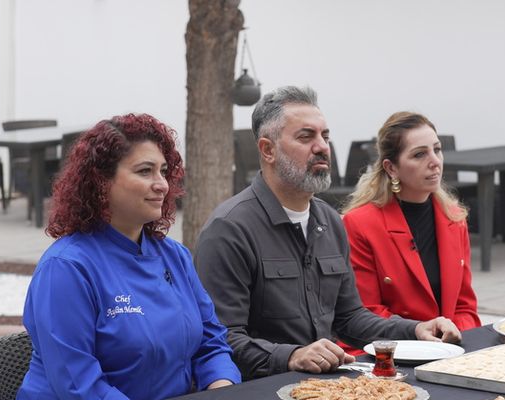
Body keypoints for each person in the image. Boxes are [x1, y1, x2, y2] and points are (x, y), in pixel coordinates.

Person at [13, 113, 241, 400]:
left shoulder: (174, 256)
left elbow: (211, 342)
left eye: (164, 171)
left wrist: (218, 399)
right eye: (145, 171)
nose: (161, 184)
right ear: (101, 182)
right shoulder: (67, 267)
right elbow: (79, 385)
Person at [195, 86, 460, 381]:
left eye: (326, 136)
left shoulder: (330, 221)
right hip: (262, 395)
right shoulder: (230, 229)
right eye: (306, 137)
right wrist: (292, 355)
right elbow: (220, 341)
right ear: (268, 150)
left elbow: (350, 318)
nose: (322, 147)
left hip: (326, 387)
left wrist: (413, 330)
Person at [341, 112, 481, 333]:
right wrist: (420, 332)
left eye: (437, 149)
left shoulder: (454, 218)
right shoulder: (360, 224)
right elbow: (365, 313)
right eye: (419, 155)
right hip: (391, 351)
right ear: (391, 168)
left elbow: (465, 308)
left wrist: (455, 336)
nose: (435, 162)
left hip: (448, 350)